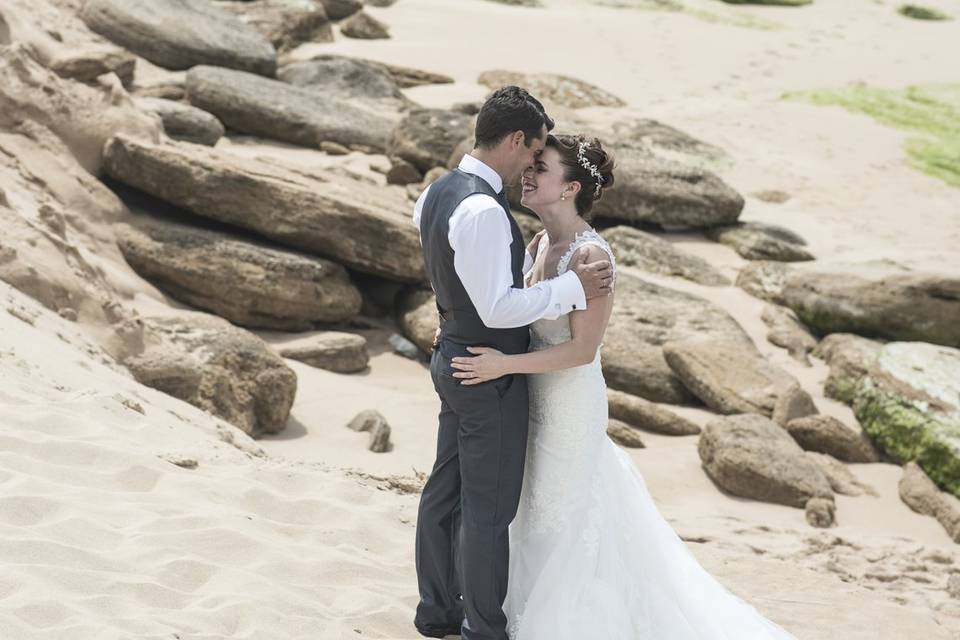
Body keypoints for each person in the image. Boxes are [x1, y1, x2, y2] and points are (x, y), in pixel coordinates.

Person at [450, 133, 799, 640]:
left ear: (570, 188)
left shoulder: (592, 258)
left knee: (566, 516)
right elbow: (515, 310)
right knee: (532, 512)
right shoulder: (540, 242)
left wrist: (504, 365)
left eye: (540, 166)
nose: (527, 171)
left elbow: (581, 351)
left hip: (569, 404)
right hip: (534, 399)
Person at [412, 87, 615, 640]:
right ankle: (482, 627)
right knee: (487, 507)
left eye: (543, 164)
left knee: (446, 490)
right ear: (516, 140)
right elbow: (497, 304)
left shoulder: (435, 193)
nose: (530, 167)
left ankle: (436, 611)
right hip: (486, 369)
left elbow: (447, 277)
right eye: (534, 153)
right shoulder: (483, 209)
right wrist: (571, 288)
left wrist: (454, 326)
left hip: (468, 357)